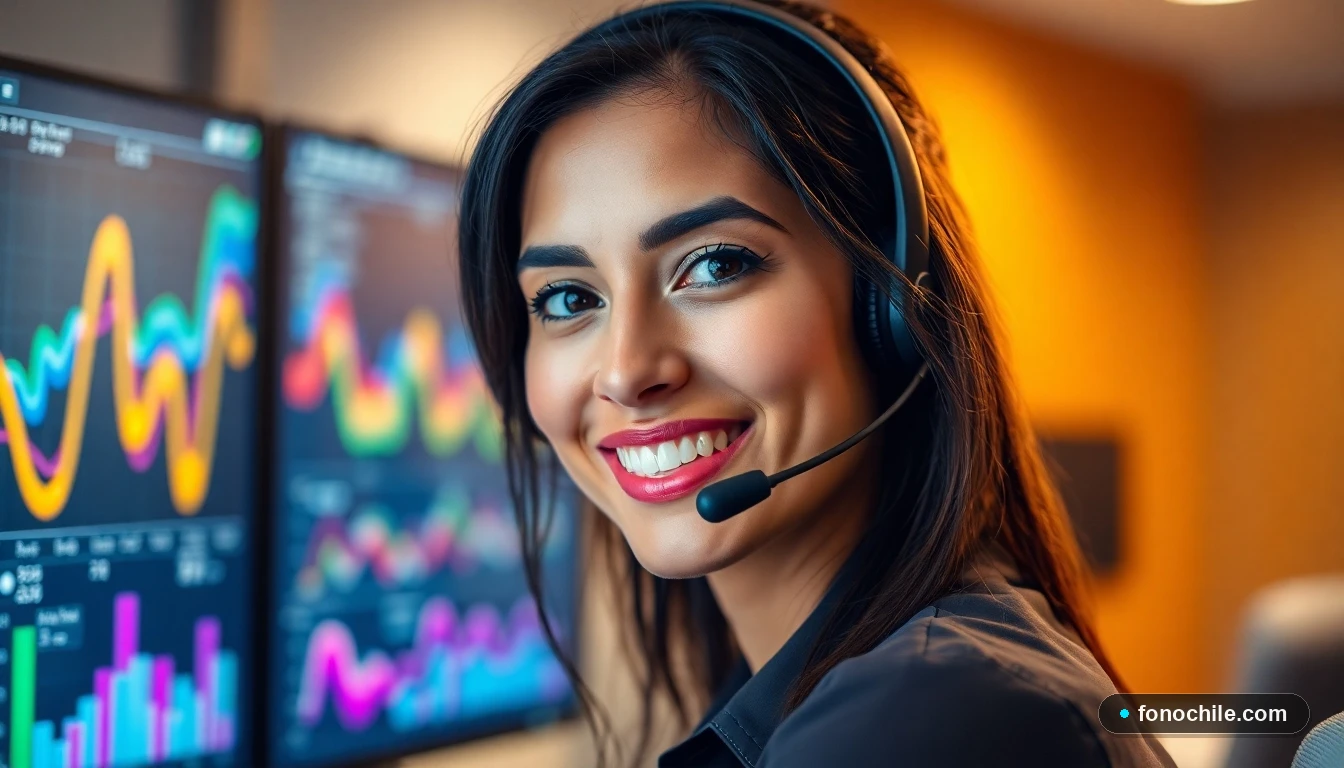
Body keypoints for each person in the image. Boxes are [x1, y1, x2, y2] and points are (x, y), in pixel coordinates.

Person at [458, 1, 1177, 765]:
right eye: (570, 298)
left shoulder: (928, 721)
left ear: (890, 304)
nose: (628, 371)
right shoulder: (859, 687)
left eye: (715, 265)